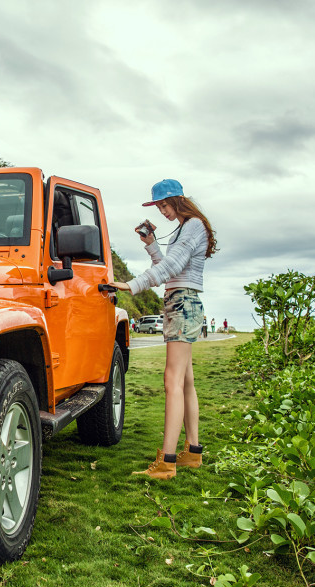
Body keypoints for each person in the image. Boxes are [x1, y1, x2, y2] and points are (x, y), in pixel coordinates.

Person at [110, 178, 217, 480]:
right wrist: (151, 245)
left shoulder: (193, 225)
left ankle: (166, 461)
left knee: (172, 381)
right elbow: (169, 263)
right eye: (158, 207)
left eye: (165, 205)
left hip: (182, 301)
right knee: (185, 381)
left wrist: (133, 284)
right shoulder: (186, 228)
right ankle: (192, 453)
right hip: (179, 300)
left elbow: (171, 268)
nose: (162, 211)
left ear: (179, 201)